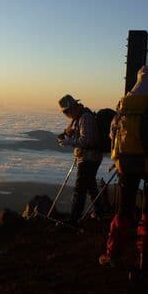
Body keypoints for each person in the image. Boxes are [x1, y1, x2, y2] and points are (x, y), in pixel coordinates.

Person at [99, 66, 148, 267]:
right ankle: (147, 255)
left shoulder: (124, 106)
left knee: (124, 210)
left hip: (126, 165)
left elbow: (112, 134)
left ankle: (114, 254)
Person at [57, 95, 104, 226]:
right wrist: (69, 137)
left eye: (66, 111)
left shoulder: (85, 118)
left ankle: (74, 219)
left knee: (80, 189)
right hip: (89, 157)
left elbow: (88, 140)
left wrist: (69, 142)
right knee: (90, 186)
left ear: (71, 108)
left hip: (89, 157)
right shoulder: (80, 117)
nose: (66, 115)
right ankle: (99, 212)